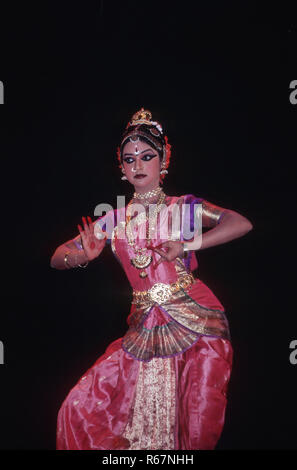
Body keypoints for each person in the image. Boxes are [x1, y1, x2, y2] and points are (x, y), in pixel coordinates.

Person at [51, 108, 253, 450]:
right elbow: (57, 257)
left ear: (164, 160)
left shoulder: (183, 208)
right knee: (80, 409)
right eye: (130, 160)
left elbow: (239, 223)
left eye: (147, 157)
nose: (138, 166)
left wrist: (189, 242)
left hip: (195, 321)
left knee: (195, 423)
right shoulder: (112, 219)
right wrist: (81, 258)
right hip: (144, 328)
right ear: (121, 167)